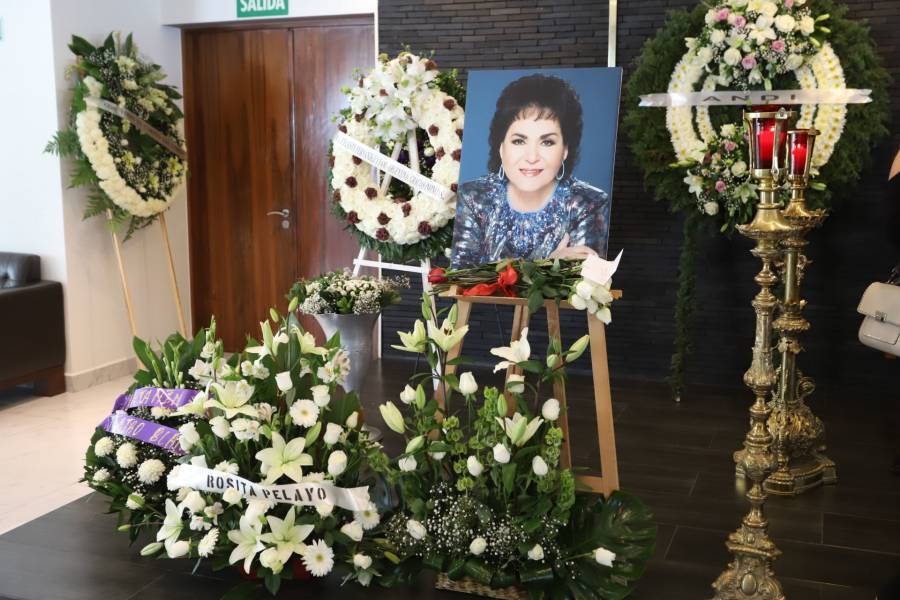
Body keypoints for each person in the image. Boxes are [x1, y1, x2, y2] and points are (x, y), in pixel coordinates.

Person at [451, 73, 610, 268]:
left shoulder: (587, 204)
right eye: (519, 141)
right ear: (501, 147)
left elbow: (582, 287)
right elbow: (461, 277)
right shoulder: (474, 197)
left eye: (547, 142)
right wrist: (549, 265)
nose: (532, 157)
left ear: (565, 150)